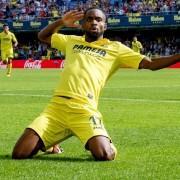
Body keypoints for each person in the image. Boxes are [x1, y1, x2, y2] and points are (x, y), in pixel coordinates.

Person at [12, 7, 180, 161]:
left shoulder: (116, 48)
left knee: (104, 155)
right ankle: (54, 142)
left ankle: (98, 139)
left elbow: (151, 64)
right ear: (83, 24)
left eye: (99, 20)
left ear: (105, 26)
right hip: (56, 109)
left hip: (84, 109)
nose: (94, 22)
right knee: (19, 154)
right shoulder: (71, 41)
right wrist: (61, 22)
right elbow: (43, 36)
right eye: (90, 19)